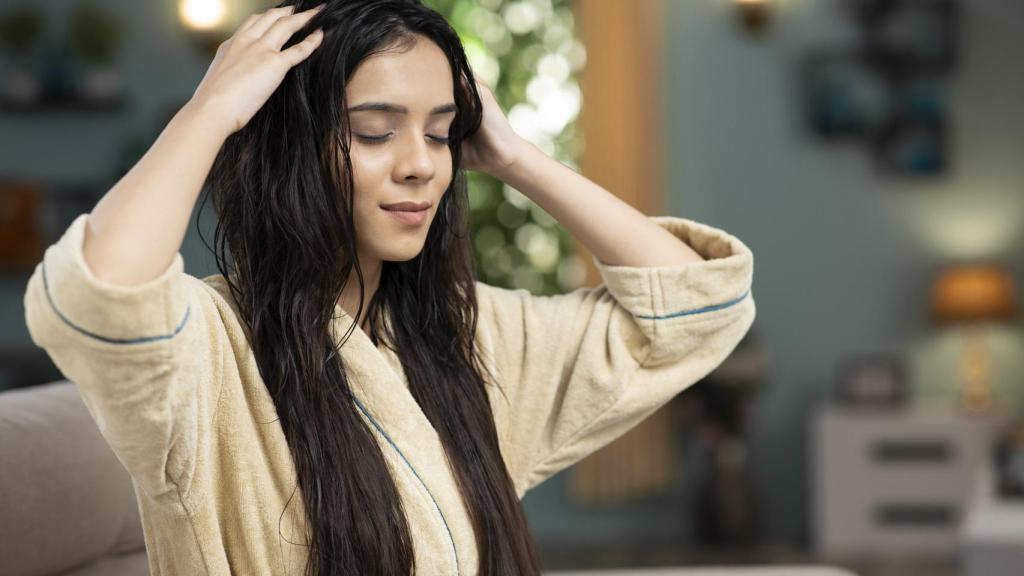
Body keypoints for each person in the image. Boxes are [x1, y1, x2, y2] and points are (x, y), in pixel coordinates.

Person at [22, 1, 757, 574]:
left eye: (440, 133)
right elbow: (100, 299)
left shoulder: (466, 339)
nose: (422, 166)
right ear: (291, 150)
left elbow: (696, 307)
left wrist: (517, 158)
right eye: (375, 131)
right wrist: (210, 112)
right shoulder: (208, 354)